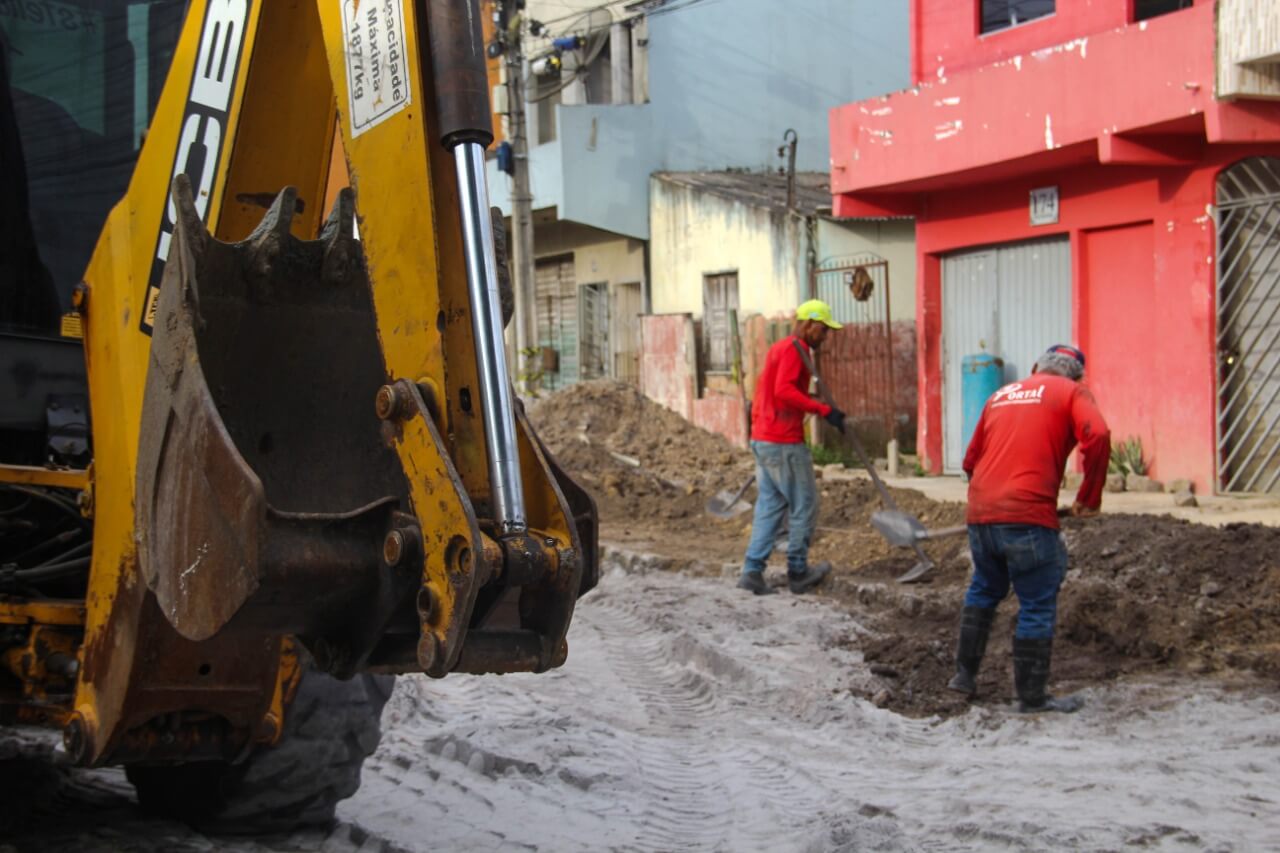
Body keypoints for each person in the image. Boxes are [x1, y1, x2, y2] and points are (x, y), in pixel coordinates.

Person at [947, 344, 1110, 713]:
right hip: (1028, 517)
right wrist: (1089, 498)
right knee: (1036, 601)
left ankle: (962, 678)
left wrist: (990, 503)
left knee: (984, 588)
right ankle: (1032, 699)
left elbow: (970, 462)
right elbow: (1097, 434)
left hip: (981, 516)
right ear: (1077, 375)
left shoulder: (1000, 395)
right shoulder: (1072, 392)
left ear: (1036, 366)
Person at [736, 299, 846, 596]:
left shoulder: (781, 347)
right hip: (783, 440)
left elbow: (783, 389)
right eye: (823, 330)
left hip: (764, 437)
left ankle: (752, 571)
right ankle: (798, 571)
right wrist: (823, 411)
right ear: (809, 325)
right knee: (804, 504)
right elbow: (783, 391)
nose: (825, 336)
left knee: (770, 506)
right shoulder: (797, 349)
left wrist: (815, 402)